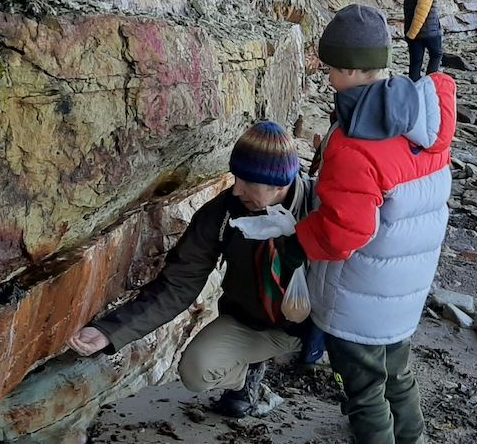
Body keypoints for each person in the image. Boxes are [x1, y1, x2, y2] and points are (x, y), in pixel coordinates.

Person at [67, 121, 314, 418]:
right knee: (196, 371)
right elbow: (178, 284)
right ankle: (246, 379)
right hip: (249, 323)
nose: (236, 190)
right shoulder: (222, 214)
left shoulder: (321, 208)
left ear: (279, 184)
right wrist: (110, 332)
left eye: (247, 181)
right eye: (236, 177)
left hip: (312, 327)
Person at [297, 4, 457, 444]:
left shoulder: (355, 146)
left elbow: (345, 234)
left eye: (331, 68)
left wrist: (296, 238)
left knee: (365, 394)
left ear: (350, 70)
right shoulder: (425, 124)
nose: (328, 77)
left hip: (360, 297)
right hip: (404, 290)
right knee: (397, 375)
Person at [403, 0, 442, 81]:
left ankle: (413, 92)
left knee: (415, 62)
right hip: (429, 32)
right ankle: (430, 84)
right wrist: (413, 33)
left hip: (412, 31)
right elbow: (422, 11)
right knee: (436, 55)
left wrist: (410, 34)